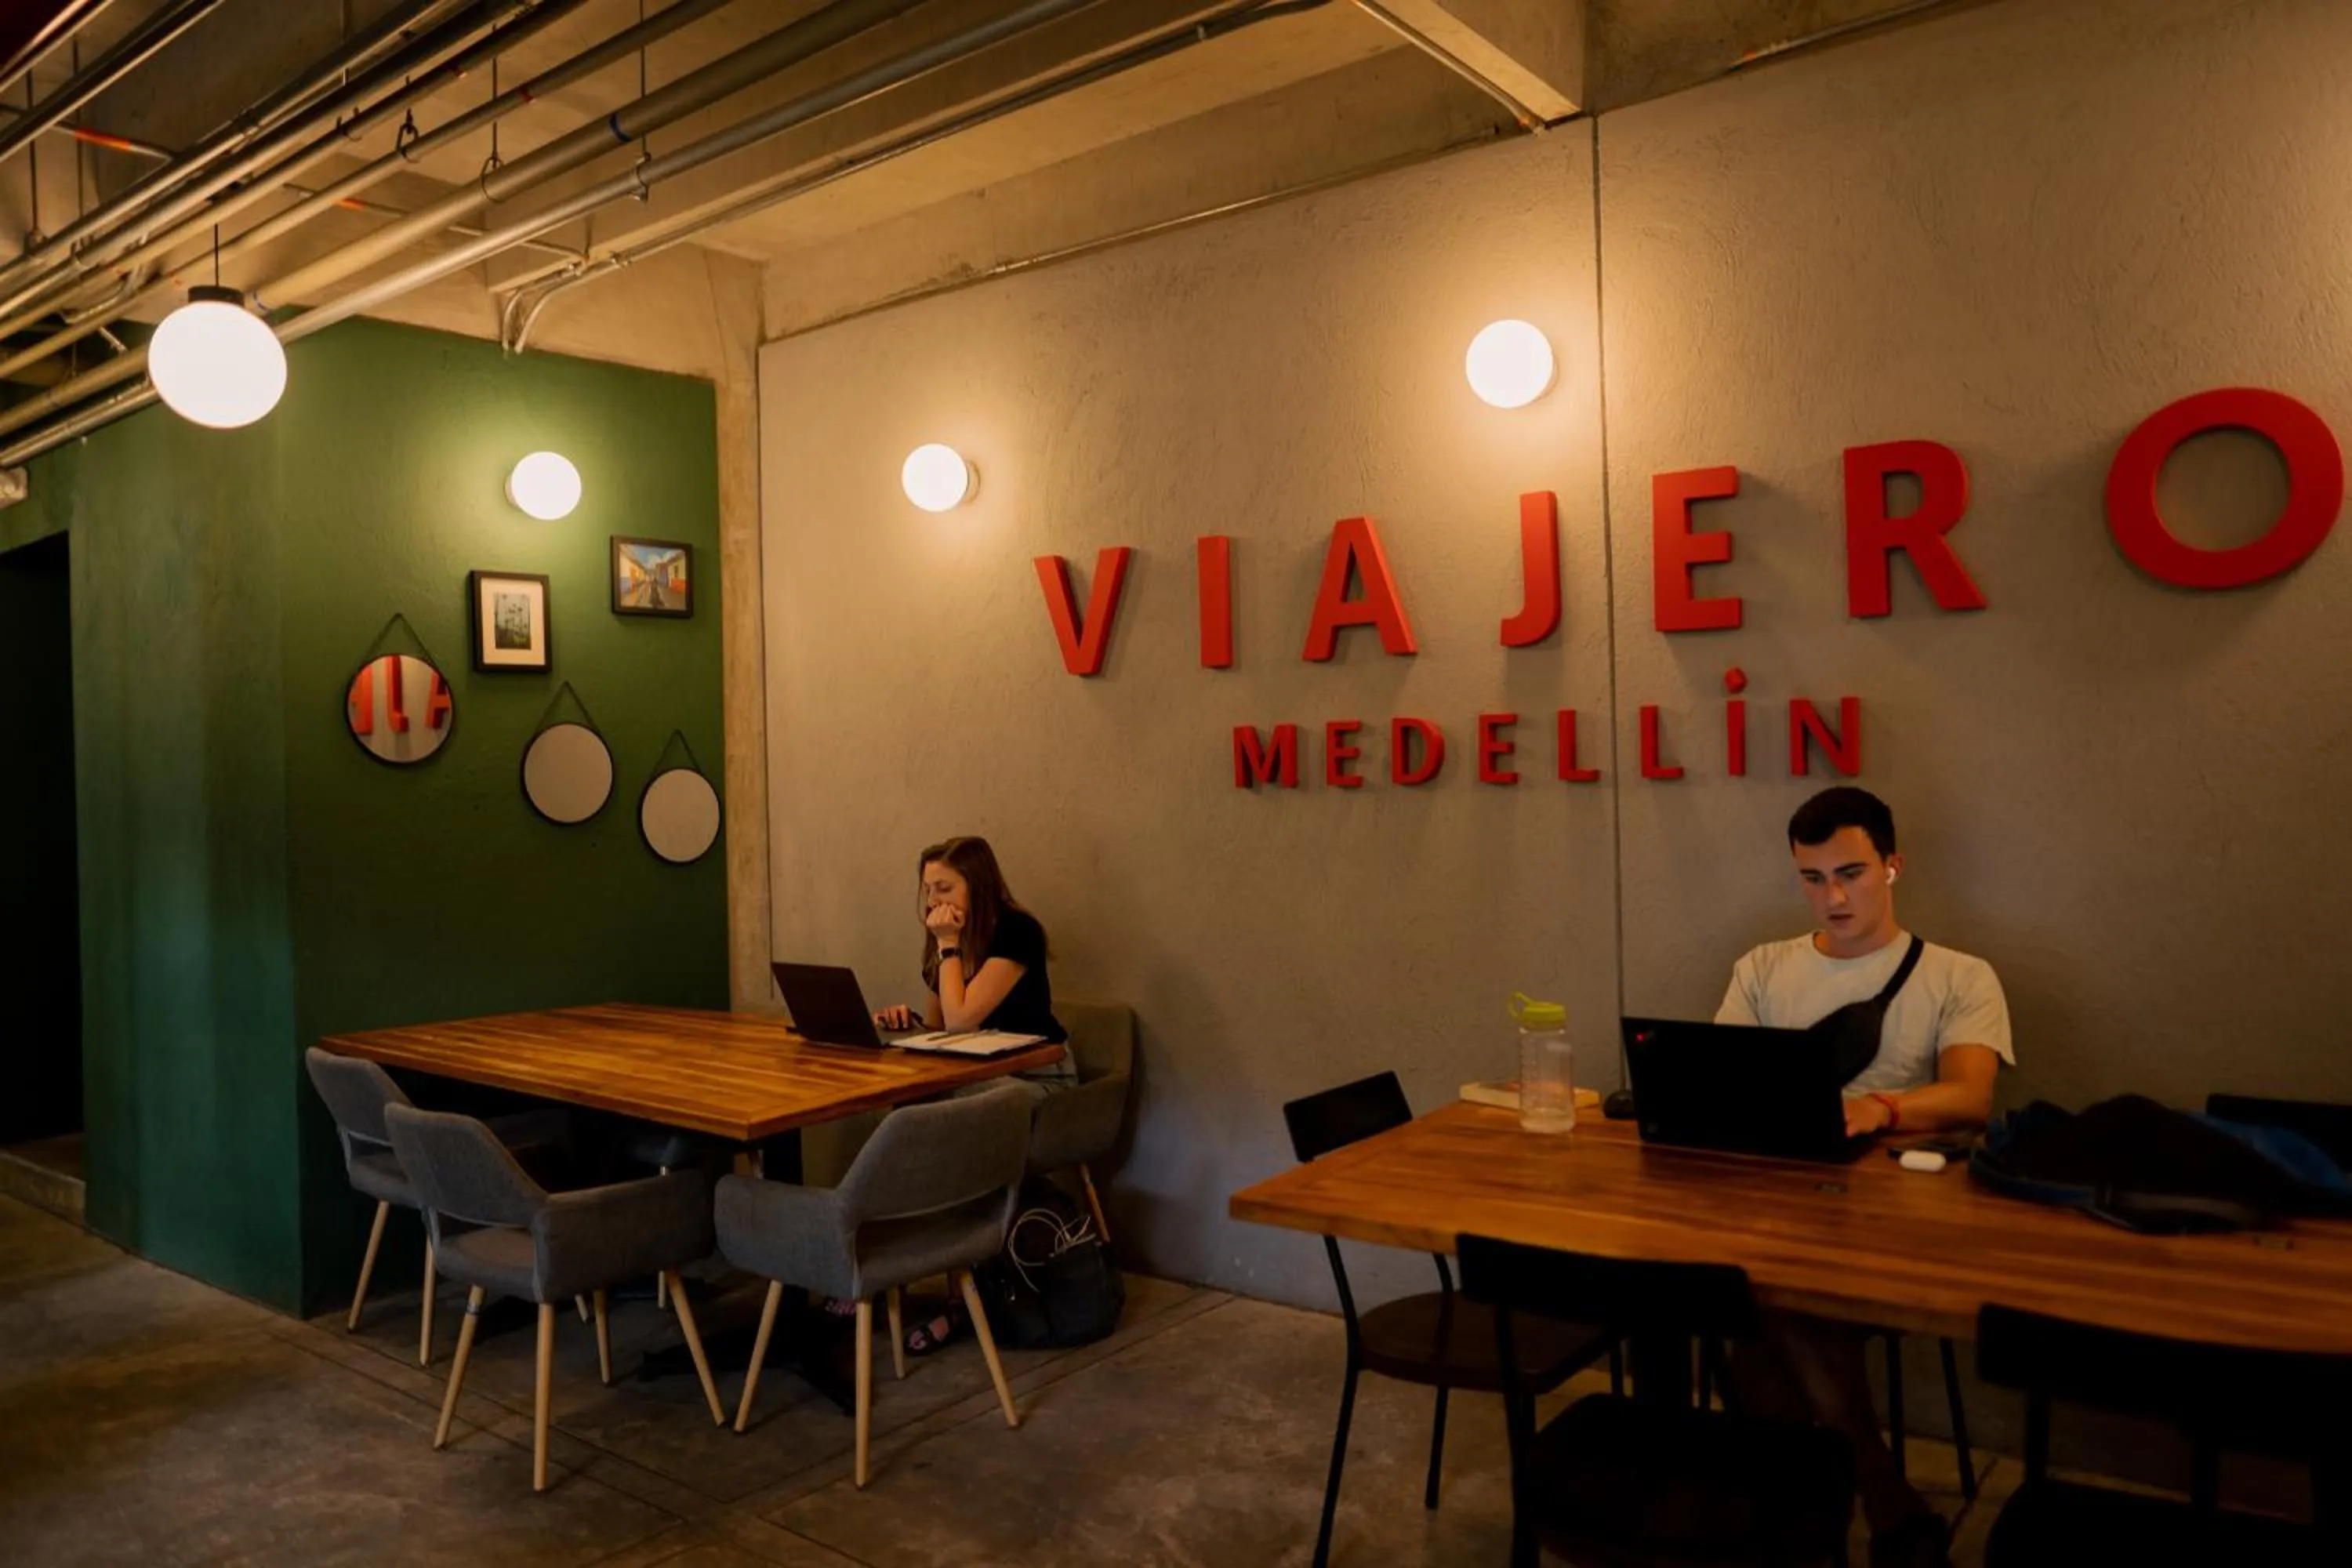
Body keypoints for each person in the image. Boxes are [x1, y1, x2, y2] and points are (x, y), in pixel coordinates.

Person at [1719, 786, 2013, 1568]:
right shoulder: (1762, 966)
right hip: (1777, 1201)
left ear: (1893, 865)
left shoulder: (1959, 973)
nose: (1834, 895)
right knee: (1753, 1287)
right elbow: (1725, 1079)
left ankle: (1832, 1502)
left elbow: (1971, 1095)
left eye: (1851, 872)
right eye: (1813, 878)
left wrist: (1881, 1108)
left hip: (1901, 1225)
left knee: (1763, 1300)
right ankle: (1861, 1503)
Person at [872, 836, 1073, 1357]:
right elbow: (942, 1026)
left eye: (945, 888)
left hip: (1039, 1079)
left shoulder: (1016, 932)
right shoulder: (949, 936)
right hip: (979, 1076)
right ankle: (889, 1274)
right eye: (928, 891)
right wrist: (907, 1021)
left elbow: (963, 1020)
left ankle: (962, 1298)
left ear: (977, 885)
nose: (935, 902)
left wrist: (946, 947)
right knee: (914, 1113)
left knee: (940, 1121)